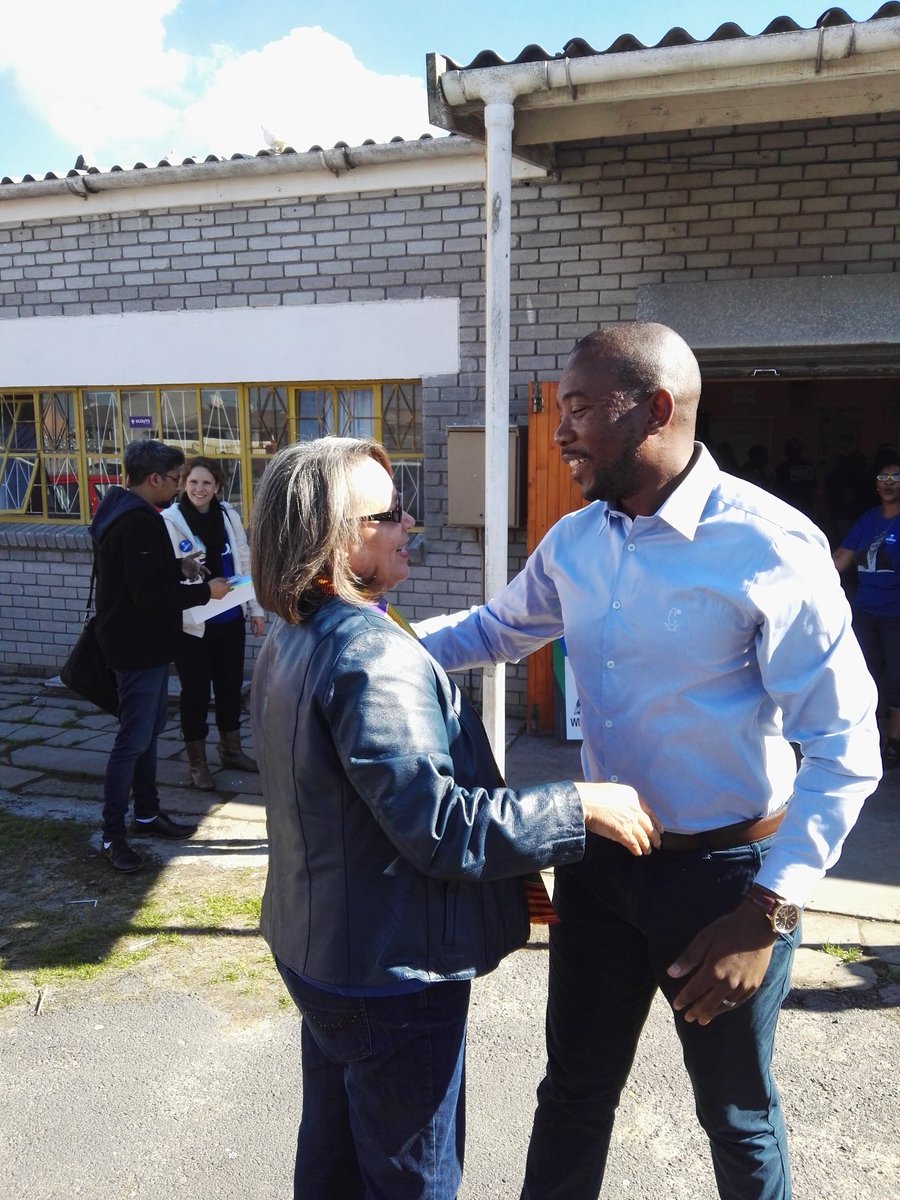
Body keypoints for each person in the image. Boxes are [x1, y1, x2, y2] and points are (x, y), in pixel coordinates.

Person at [415, 323, 882, 1200]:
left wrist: (767, 911)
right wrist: (369, 644)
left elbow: (845, 745)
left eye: (581, 410)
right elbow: (493, 631)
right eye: (562, 410)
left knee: (737, 1116)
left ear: (656, 410)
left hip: (726, 883)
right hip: (601, 864)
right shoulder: (576, 541)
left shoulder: (770, 546)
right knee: (574, 1092)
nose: (560, 433)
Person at [248, 435, 661, 1200]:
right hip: (389, 972)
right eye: (390, 513)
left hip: (326, 950)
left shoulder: (292, 632)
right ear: (338, 538)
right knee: (412, 1180)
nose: (411, 523)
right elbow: (441, 827)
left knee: (333, 1159)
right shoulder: (369, 653)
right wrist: (579, 804)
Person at [90, 439, 231, 873]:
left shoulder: (119, 507)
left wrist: (178, 567)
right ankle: (113, 835)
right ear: (153, 479)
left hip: (139, 642)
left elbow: (139, 575)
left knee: (148, 733)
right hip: (136, 647)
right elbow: (149, 595)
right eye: (174, 479)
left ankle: (147, 814)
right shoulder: (139, 521)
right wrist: (205, 590)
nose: (177, 487)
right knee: (133, 740)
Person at [162, 456, 265, 788]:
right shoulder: (170, 520)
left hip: (230, 617)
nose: (199, 489)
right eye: (193, 482)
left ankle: (231, 750)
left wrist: (256, 610)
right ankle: (197, 763)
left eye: (206, 483)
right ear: (183, 484)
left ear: (217, 487)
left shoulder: (228, 515)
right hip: (193, 624)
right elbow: (166, 572)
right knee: (195, 693)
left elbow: (245, 561)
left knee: (229, 688)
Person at [833, 448, 900, 769]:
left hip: (895, 614)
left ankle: (895, 741)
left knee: (897, 679)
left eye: (896, 477)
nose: (889, 482)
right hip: (864, 610)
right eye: (883, 477)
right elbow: (843, 556)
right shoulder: (868, 519)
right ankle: (867, 737)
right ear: (876, 483)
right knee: (863, 675)